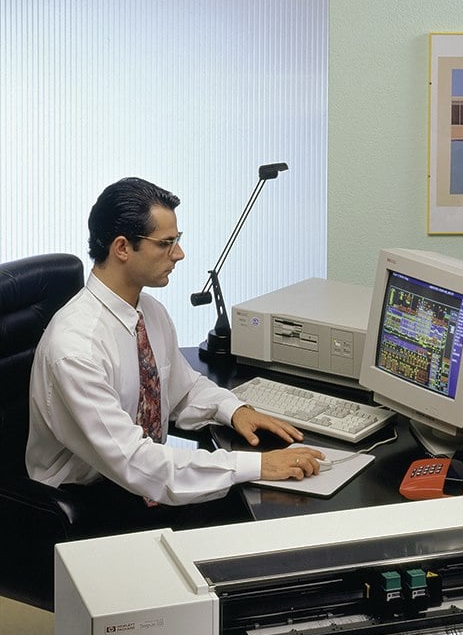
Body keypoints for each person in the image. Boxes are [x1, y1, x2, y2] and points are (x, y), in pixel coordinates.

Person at [26, 177, 324, 531]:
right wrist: (259, 466)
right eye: (166, 243)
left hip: (136, 481)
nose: (179, 254)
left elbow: (181, 388)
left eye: (177, 241)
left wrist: (234, 409)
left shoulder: (147, 311)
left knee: (265, 504)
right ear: (122, 248)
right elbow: (136, 463)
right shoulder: (76, 348)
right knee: (257, 521)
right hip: (89, 500)